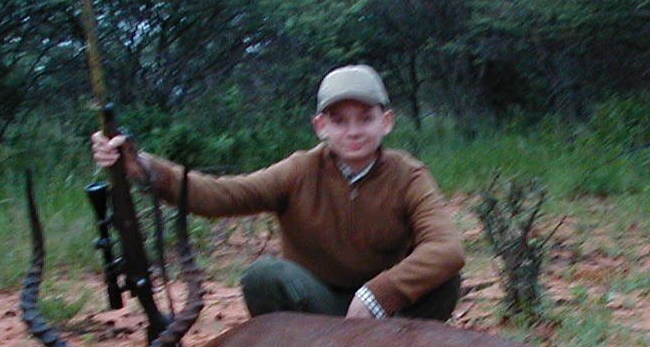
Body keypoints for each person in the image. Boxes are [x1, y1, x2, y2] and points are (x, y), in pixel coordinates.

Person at [91, 64, 464, 321]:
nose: (353, 131)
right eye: (339, 121)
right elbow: (221, 196)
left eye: (365, 119)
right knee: (264, 276)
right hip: (318, 309)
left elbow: (447, 248)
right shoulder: (300, 170)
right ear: (320, 126)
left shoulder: (408, 174)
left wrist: (378, 295)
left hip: (384, 315)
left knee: (444, 279)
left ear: (386, 122)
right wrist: (145, 168)